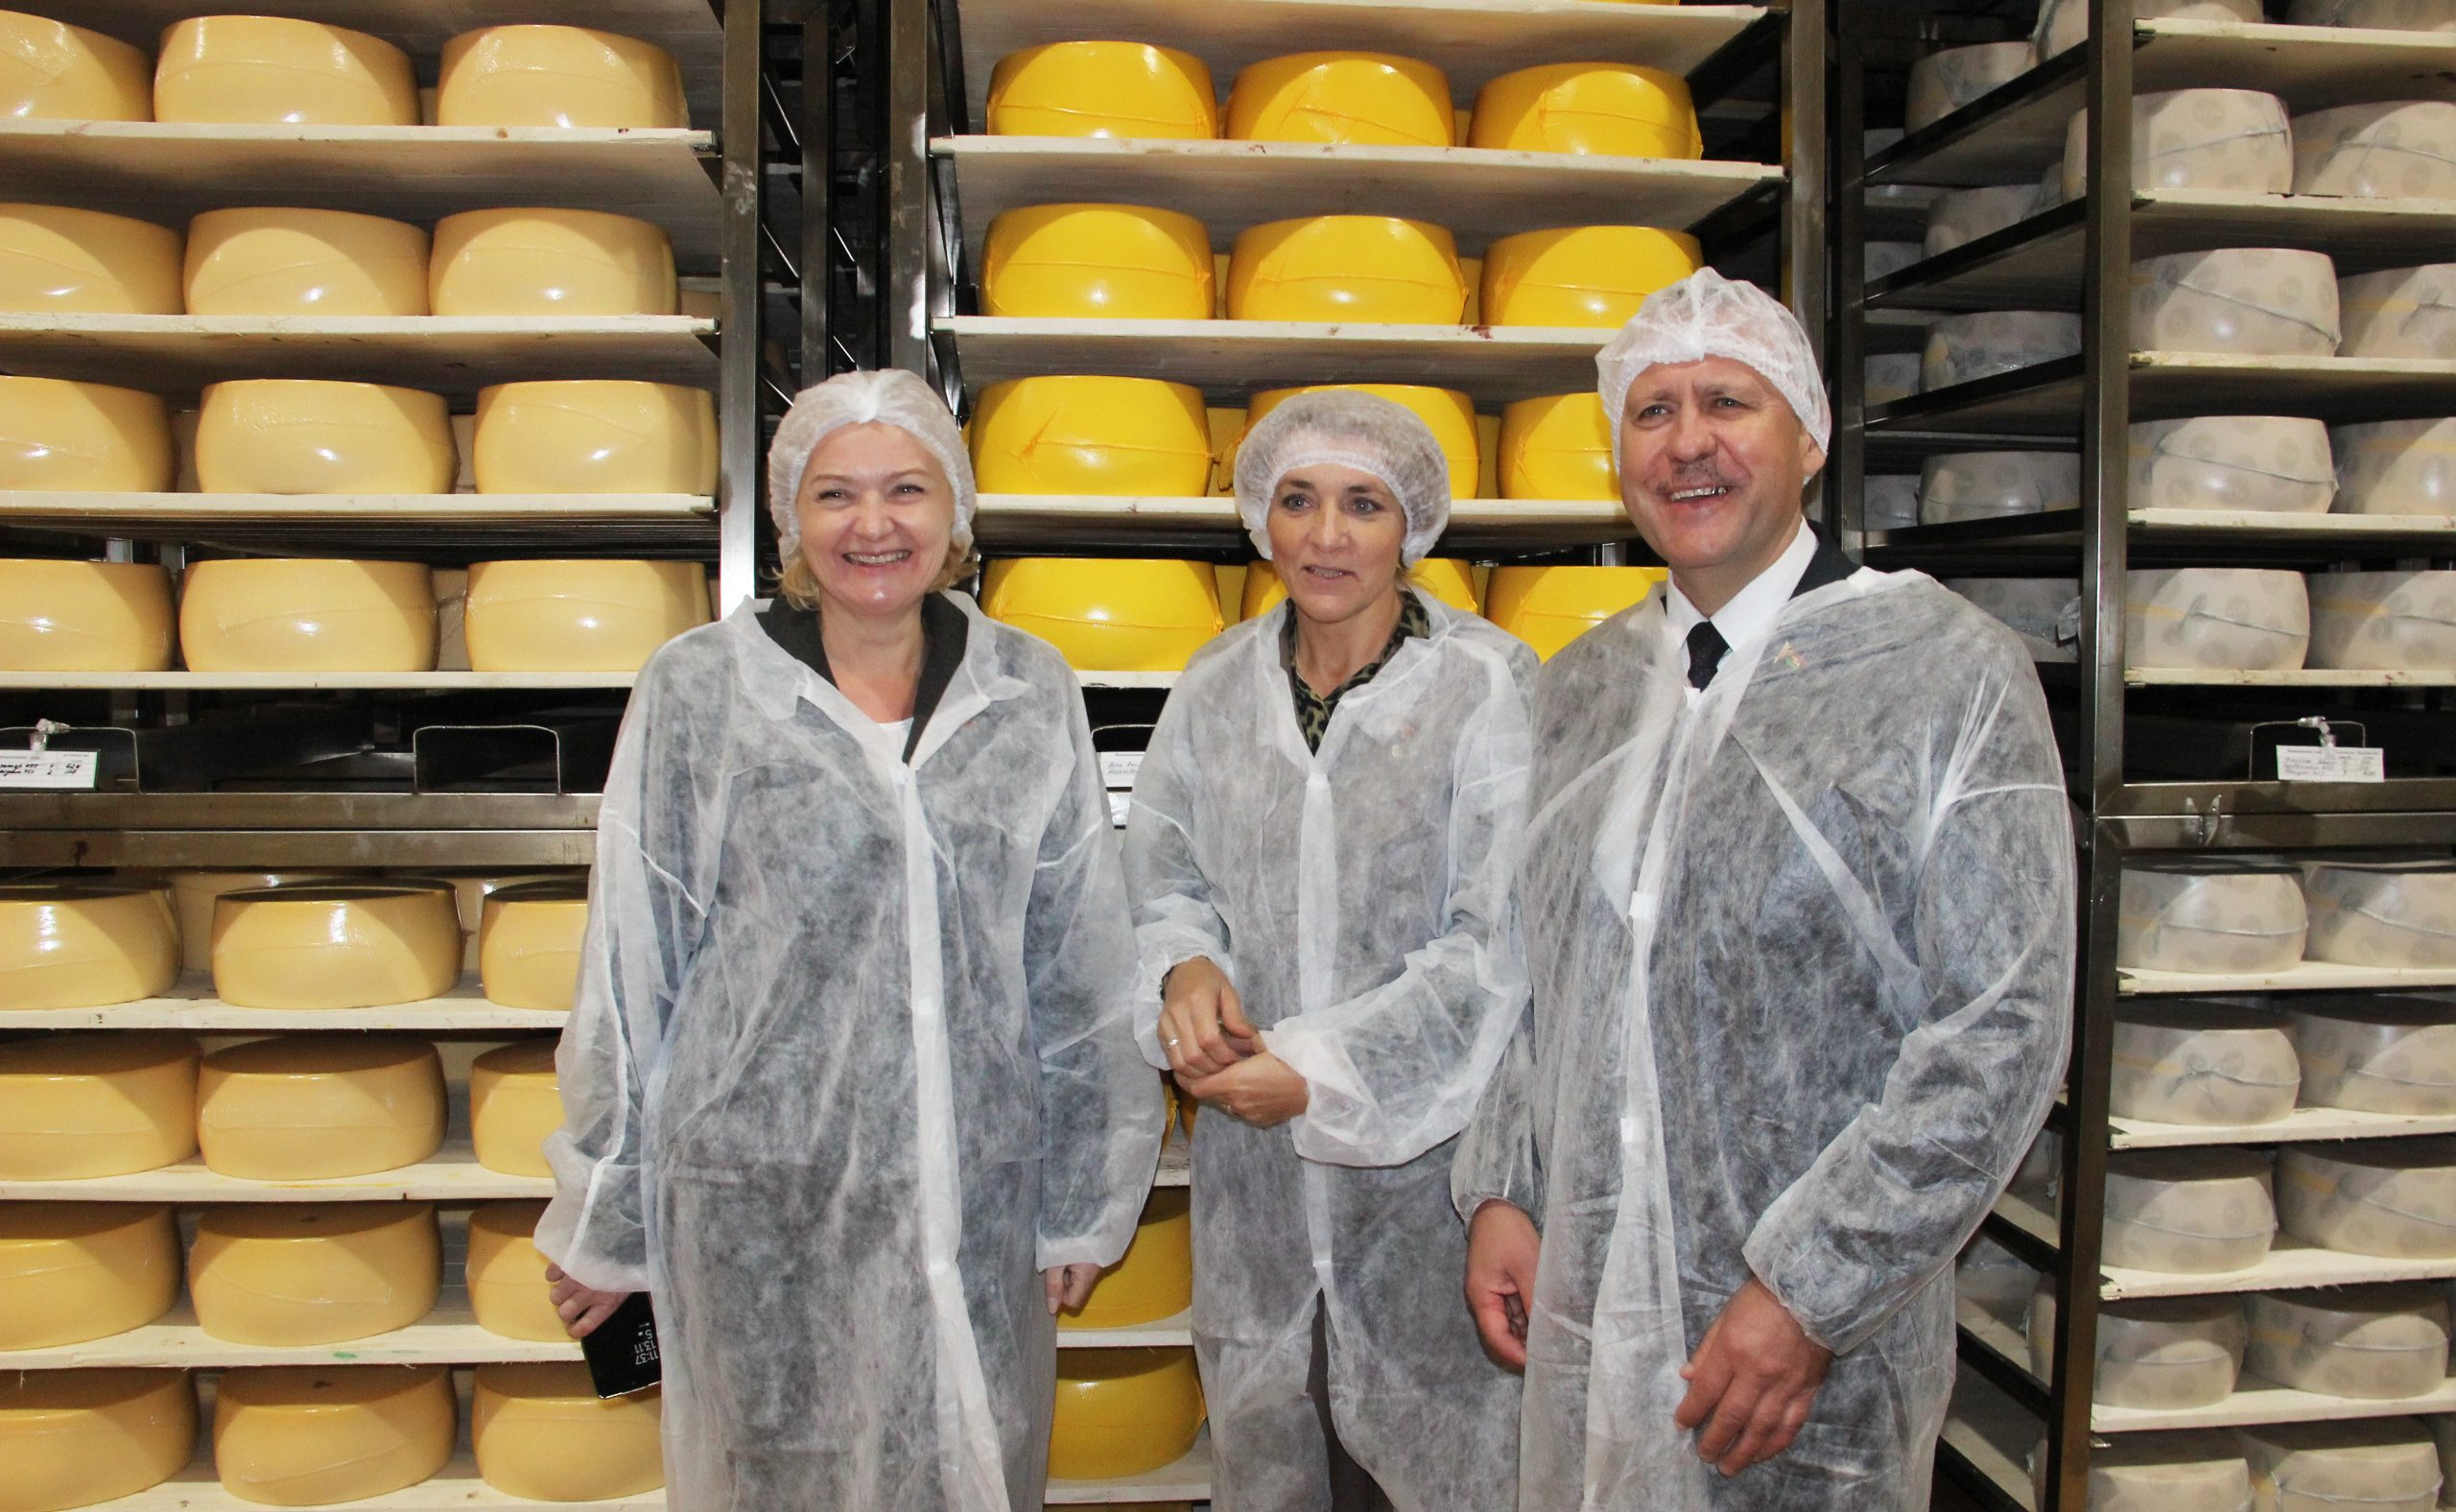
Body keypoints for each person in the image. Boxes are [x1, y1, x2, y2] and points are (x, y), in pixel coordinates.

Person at [1454, 270, 2074, 1511]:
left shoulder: (1943, 670)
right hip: (1590, 1308)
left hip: (1811, 1362)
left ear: (1810, 436)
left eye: (1727, 402)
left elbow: (2001, 1022)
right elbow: (1536, 975)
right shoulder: (1582, 686)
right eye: (1652, 410)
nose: (1687, 442)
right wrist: (1506, 1187)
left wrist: (1812, 1290)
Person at [534, 368, 1165, 1511]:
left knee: (966, 1460)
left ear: (954, 508)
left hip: (976, 1194)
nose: (873, 525)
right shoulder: (703, 689)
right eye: (836, 494)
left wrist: (1082, 1194)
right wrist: (607, 1215)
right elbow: (632, 964)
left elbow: (1077, 956)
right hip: (756, 1198)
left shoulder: (1027, 690)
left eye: (906, 489)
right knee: (773, 1474)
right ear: (791, 516)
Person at [1124, 390, 1535, 1511]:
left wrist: (1319, 1072)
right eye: (1298, 500)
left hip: (1429, 1196)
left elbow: (1499, 946)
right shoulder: (1216, 687)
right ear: (1260, 517)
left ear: (1412, 528)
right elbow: (1162, 877)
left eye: (1363, 504)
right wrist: (1184, 967)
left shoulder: (1488, 687)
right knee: (1273, 1454)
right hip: (1255, 1199)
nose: (1326, 534)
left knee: (1435, 1471)